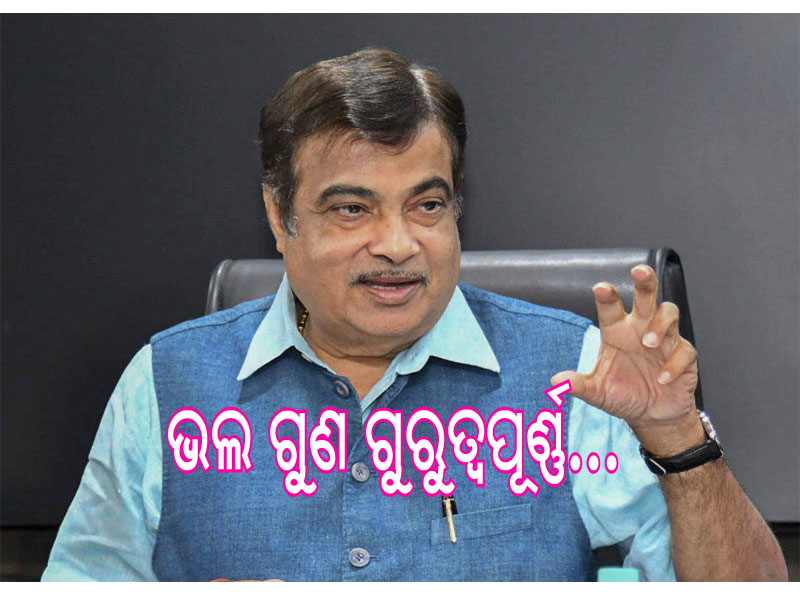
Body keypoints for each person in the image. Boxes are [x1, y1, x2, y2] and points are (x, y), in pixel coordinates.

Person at [42, 47, 787, 582]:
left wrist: (678, 441)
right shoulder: (164, 384)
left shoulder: (576, 378)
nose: (398, 245)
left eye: (426, 205)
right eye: (351, 209)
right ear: (278, 215)